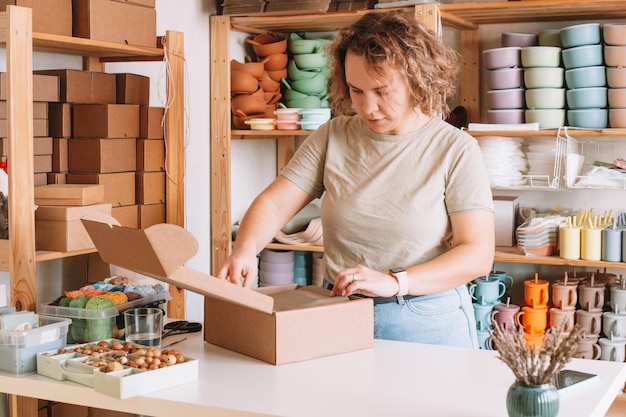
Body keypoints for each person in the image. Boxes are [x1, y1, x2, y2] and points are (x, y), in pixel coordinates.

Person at [217, 10, 495, 348]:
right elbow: (275, 203)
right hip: (340, 312)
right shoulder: (333, 135)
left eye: (382, 91)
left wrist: (395, 282)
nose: (368, 107)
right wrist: (246, 249)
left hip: (424, 318)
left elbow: (477, 253)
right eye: (356, 90)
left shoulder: (456, 149)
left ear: (417, 80)